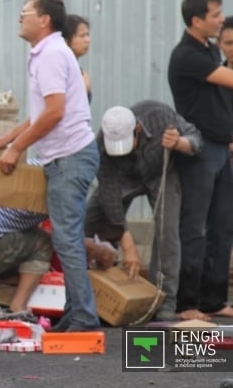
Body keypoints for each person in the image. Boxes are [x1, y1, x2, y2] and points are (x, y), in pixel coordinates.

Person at [0, 0, 100, 332]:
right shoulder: (47, 52)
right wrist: (7, 139)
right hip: (67, 157)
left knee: (66, 239)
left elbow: (54, 113)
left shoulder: (51, 53)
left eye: (25, 12)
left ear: (44, 20)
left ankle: (83, 316)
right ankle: (76, 312)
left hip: (69, 157)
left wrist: (15, 148)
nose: (19, 18)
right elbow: (40, 113)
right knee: (66, 238)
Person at [85, 102, 202, 321]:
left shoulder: (159, 115)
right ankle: (88, 293)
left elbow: (196, 138)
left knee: (167, 233)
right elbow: (110, 198)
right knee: (89, 219)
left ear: (137, 129)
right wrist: (128, 246)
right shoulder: (101, 145)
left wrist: (180, 143)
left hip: (160, 174)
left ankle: (165, 300)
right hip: (122, 178)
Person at [168, 0, 233, 319]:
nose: (221, 20)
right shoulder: (187, 56)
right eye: (216, 15)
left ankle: (214, 299)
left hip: (221, 149)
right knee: (194, 227)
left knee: (222, 226)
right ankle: (187, 303)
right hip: (199, 150)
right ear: (196, 20)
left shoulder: (208, 50)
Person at [62, 14, 91, 102]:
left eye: (87, 35)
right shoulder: (62, 69)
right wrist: (83, 89)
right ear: (66, 40)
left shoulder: (78, 70)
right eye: (82, 36)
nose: (87, 40)